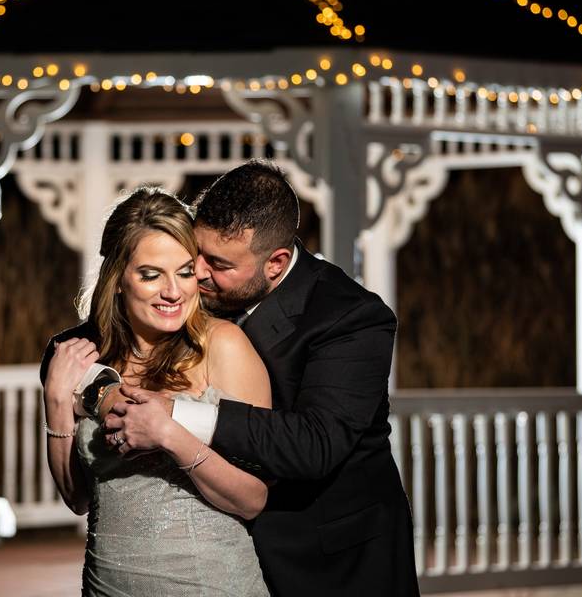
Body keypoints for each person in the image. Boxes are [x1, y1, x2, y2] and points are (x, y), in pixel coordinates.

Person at [105, 160, 420, 596]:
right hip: (225, 559)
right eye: (197, 253)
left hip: (333, 562)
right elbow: (127, 316)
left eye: (217, 263)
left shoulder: (351, 317)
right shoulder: (211, 290)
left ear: (275, 263)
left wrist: (178, 414)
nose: (196, 273)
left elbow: (316, 445)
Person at [39, 186, 272, 595]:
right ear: (116, 280)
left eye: (184, 272)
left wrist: (170, 436)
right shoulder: (86, 357)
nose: (173, 292)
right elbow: (77, 499)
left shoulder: (224, 346)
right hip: (107, 584)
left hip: (210, 585)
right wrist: (57, 403)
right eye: (151, 275)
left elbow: (252, 498)